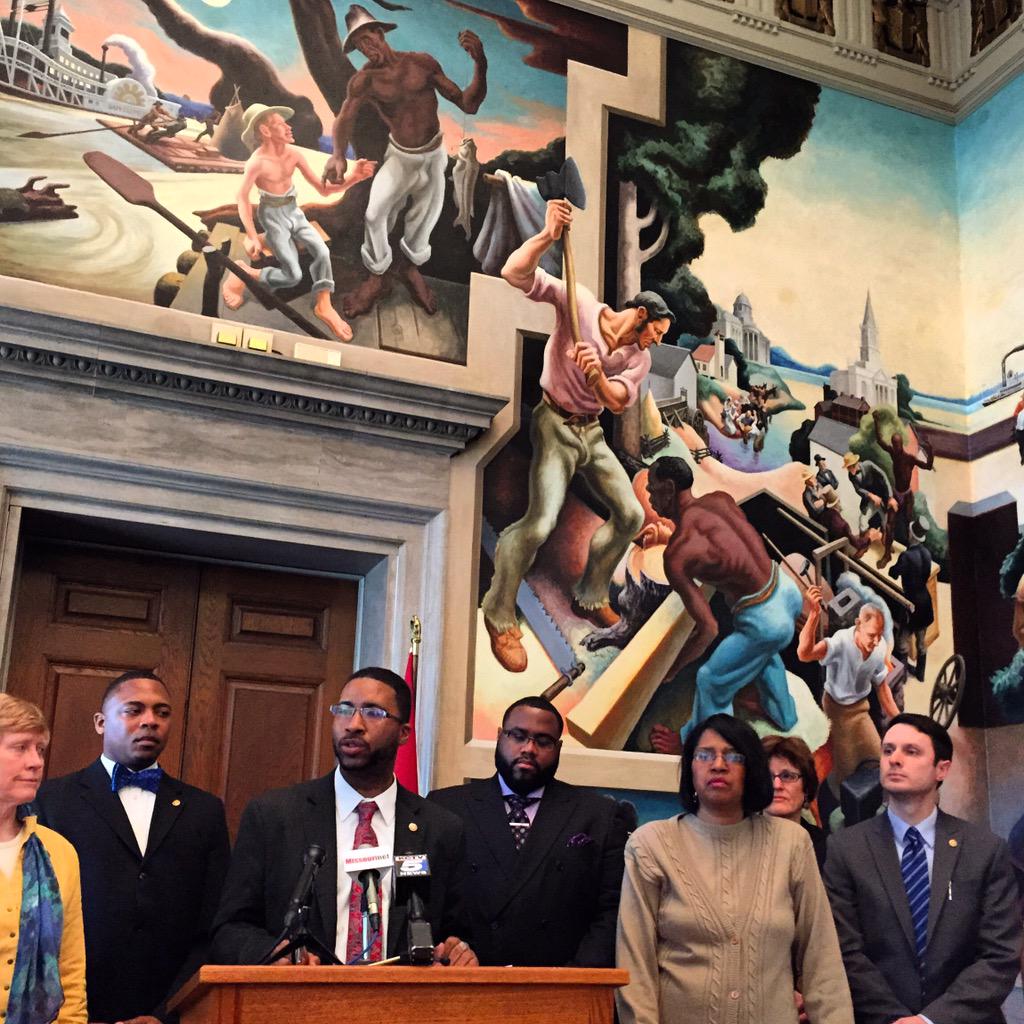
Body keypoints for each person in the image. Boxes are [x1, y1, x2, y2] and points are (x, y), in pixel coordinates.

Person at [481, 199, 672, 673]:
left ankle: (590, 594)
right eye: (657, 331)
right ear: (640, 315)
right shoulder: (579, 303)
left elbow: (617, 401)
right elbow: (513, 273)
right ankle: (499, 612)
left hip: (592, 433)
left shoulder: (639, 358)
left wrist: (596, 377)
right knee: (539, 524)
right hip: (554, 425)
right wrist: (547, 236)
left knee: (630, 514)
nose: (658, 341)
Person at [212, 667, 476, 966]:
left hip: (399, 993)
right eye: (344, 710)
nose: (353, 724)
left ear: (403, 733)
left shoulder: (441, 828)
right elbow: (229, 929)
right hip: (299, 991)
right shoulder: (274, 815)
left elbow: (457, 934)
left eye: (373, 713)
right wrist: (272, 953)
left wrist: (456, 951)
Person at [616, 713, 853, 1024]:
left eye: (732, 756)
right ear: (690, 767)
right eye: (704, 755)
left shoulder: (791, 844)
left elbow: (822, 959)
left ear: (752, 768)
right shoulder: (651, 845)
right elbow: (635, 965)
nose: (718, 765)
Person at [36, 671, 230, 1024]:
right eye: (134, 710)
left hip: (172, 1011)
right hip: (71, 1012)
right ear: (100, 722)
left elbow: (212, 923)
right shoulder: (51, 801)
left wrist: (165, 1013)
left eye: (162, 712)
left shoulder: (204, 810)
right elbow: (37, 921)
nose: (150, 721)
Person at [824, 713, 1022, 1024]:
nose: (894, 759)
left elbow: (999, 956)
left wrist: (930, 1020)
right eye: (888, 750)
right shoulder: (846, 850)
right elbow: (844, 950)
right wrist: (896, 1019)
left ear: (942, 768)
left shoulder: (984, 849)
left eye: (911, 751)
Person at [429, 697, 628, 966]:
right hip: (467, 976)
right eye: (518, 736)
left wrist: (577, 978)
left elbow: (611, 910)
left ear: (558, 748)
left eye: (543, 741)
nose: (529, 749)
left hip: (561, 979)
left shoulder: (599, 814)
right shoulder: (446, 807)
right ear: (500, 737)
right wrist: (448, 952)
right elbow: (426, 901)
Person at [323, 4, 487, 317]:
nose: (365, 47)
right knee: (375, 215)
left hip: (433, 157)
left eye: (367, 38)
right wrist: (337, 154)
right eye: (358, 45)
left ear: (380, 32)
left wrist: (480, 63)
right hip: (399, 157)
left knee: (425, 217)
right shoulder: (364, 80)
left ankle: (410, 269)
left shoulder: (421, 63)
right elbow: (345, 117)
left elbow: (468, 104)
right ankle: (376, 276)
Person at [644, 456, 805, 754]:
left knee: (711, 681)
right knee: (762, 653)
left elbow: (708, 629)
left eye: (652, 490)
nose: (650, 497)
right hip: (785, 591)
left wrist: (672, 669)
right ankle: (784, 715)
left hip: (763, 620)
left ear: (669, 488)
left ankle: (697, 744)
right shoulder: (720, 500)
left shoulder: (677, 554)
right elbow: (727, 551)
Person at [221, 104, 376, 341]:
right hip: (273, 217)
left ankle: (324, 305)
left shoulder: (293, 154)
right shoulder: (257, 163)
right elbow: (241, 197)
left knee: (322, 252)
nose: (288, 127)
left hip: (294, 213)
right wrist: (252, 236)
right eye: (280, 124)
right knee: (292, 275)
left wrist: (354, 177)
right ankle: (244, 272)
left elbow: (323, 190)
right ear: (265, 131)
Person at [0, 694, 85, 1024]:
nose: (36, 762)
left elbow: (70, 972)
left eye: (40, 750)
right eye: (21, 747)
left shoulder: (59, 852)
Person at [797, 587, 899, 794]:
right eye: (871, 635)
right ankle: (843, 803)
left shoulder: (879, 647)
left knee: (876, 756)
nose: (876, 642)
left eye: (879, 635)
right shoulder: (840, 643)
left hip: (860, 710)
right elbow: (805, 654)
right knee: (845, 770)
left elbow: (882, 687)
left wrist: (900, 719)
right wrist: (814, 615)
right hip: (836, 711)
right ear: (858, 624)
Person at [872, 411, 934, 568]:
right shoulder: (893, 453)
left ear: (901, 444)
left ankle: (909, 555)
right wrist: (876, 420)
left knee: (908, 526)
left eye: (898, 444)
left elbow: (927, 466)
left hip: (907, 496)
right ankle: (887, 554)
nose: (896, 447)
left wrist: (930, 450)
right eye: (894, 444)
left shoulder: (909, 459)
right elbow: (879, 441)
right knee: (889, 525)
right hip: (896, 494)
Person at [763, 733, 827, 869]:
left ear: (806, 789)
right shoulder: (736, 842)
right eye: (767, 777)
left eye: (787, 776)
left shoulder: (828, 849)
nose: (776, 785)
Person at [888, 519, 934, 681]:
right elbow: (926, 575)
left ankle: (902, 677)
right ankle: (920, 675)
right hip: (925, 603)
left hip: (911, 605)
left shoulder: (906, 556)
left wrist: (894, 568)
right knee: (921, 642)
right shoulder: (927, 554)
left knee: (902, 642)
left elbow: (893, 573)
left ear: (912, 535)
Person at [844, 451, 897, 558]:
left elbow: (883, 476)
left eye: (851, 467)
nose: (850, 470)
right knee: (863, 521)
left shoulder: (868, 465)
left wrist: (890, 497)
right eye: (848, 468)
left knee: (885, 521)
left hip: (883, 499)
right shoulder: (851, 476)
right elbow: (858, 489)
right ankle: (863, 546)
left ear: (856, 463)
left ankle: (885, 541)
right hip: (869, 501)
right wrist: (871, 495)